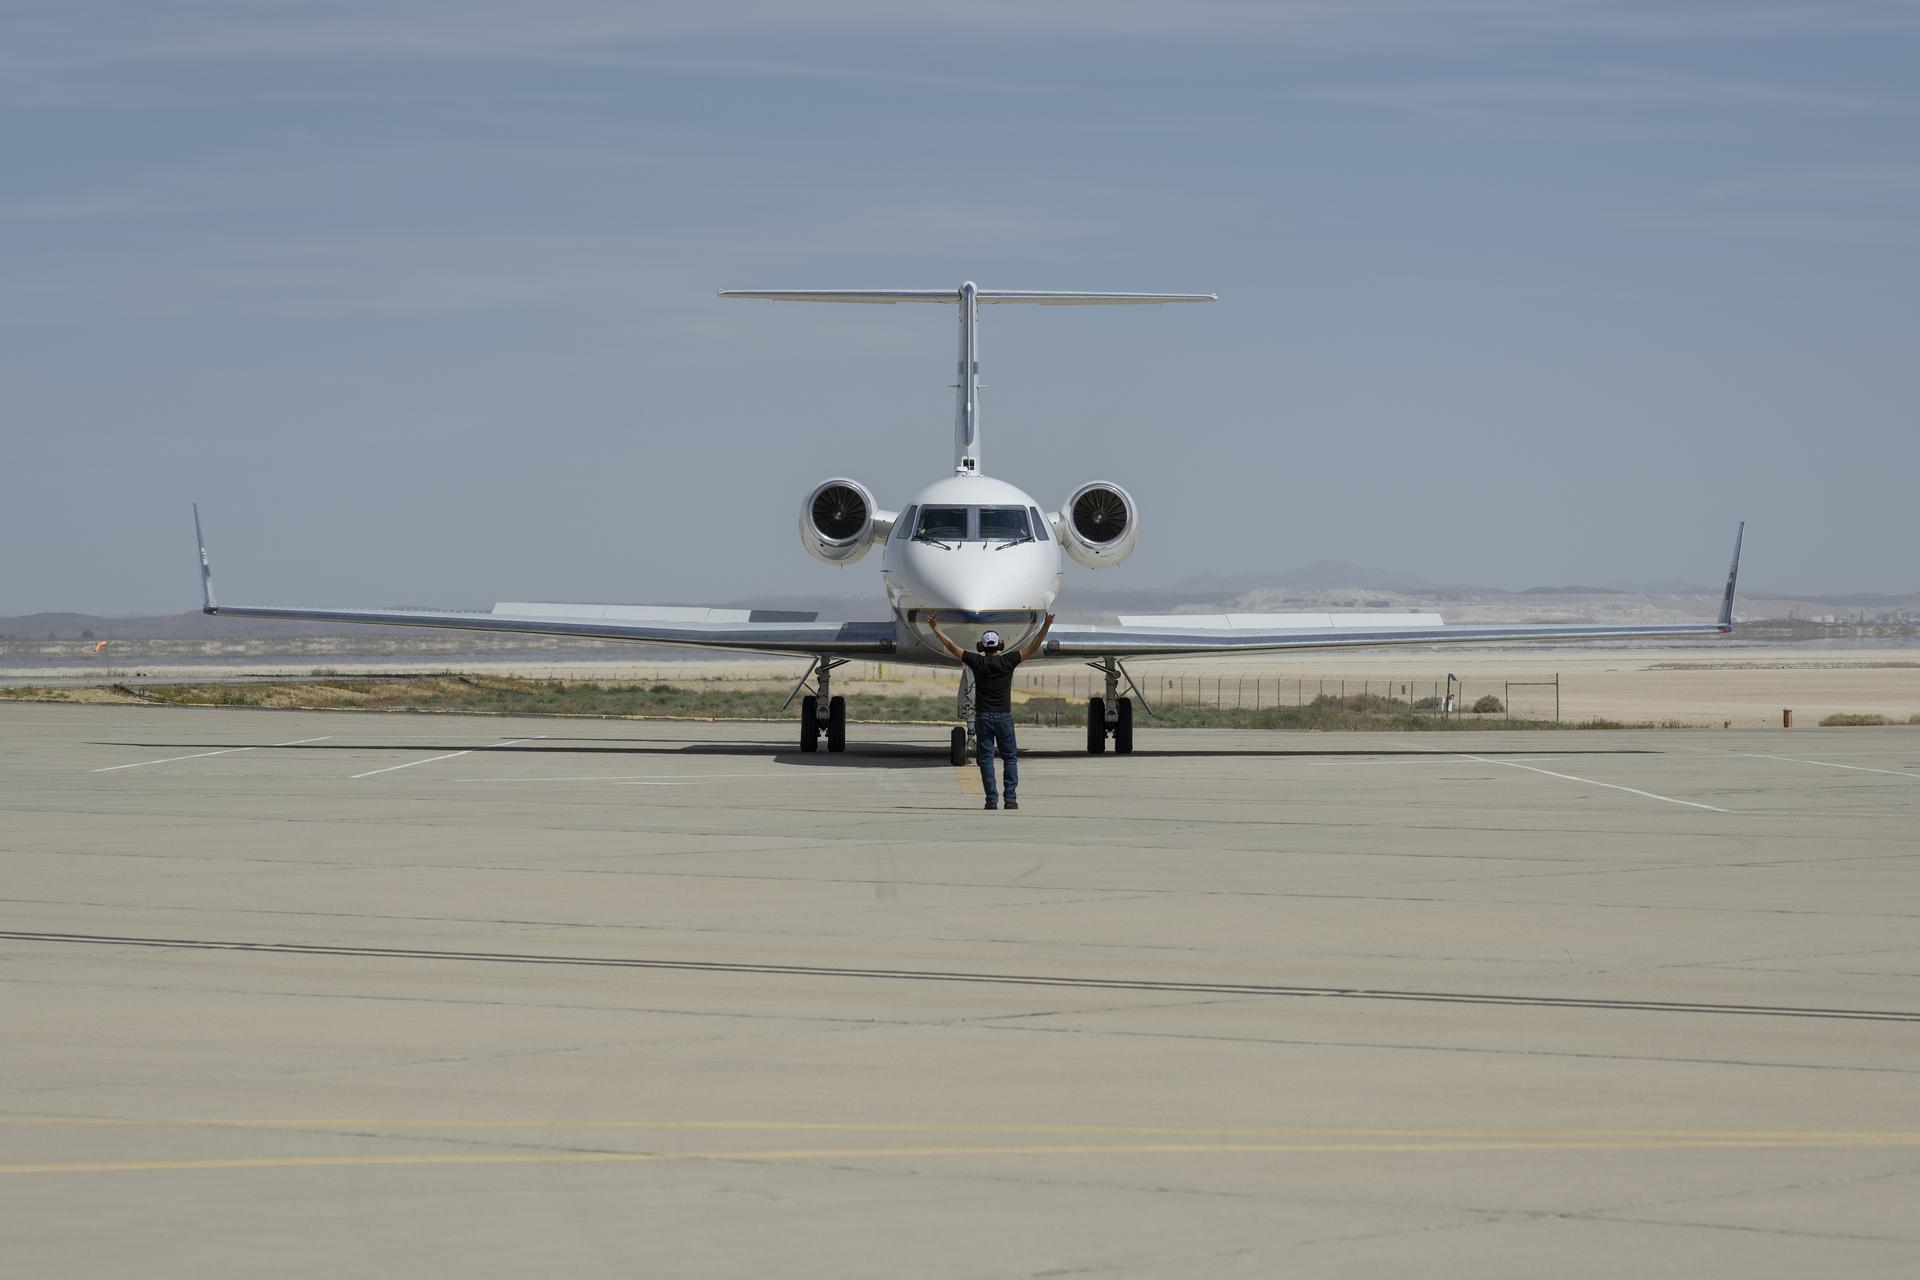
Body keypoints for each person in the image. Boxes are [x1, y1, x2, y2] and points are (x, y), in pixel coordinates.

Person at [926, 612, 1056, 810]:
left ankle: (991, 800)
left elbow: (951, 646)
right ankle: (1010, 799)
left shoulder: (977, 662)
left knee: (986, 759)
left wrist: (935, 628)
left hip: (983, 718)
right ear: (1000, 645)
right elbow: (1034, 645)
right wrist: (1046, 625)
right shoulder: (1009, 661)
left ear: (981, 647)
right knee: (1010, 758)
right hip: (1004, 717)